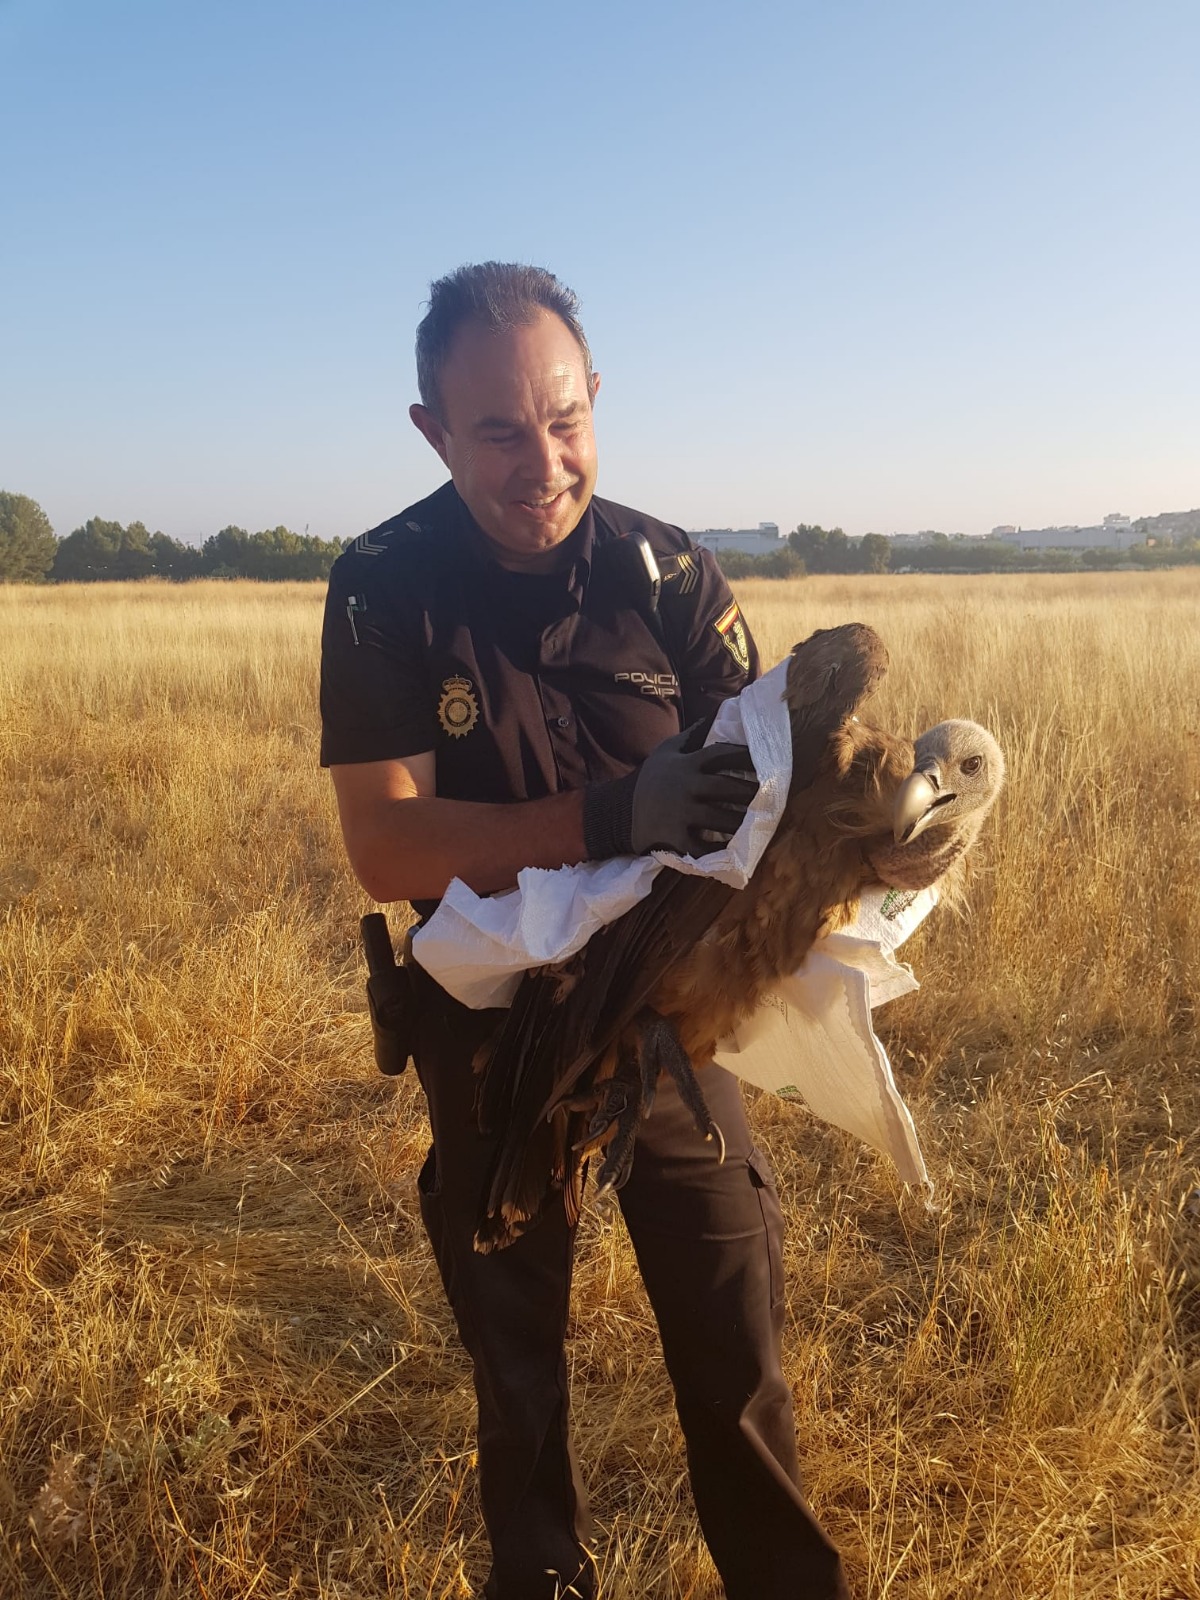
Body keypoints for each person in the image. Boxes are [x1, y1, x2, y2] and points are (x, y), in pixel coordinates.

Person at [319, 262, 850, 1600]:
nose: (542, 464)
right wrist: (610, 813)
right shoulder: (383, 585)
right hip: (488, 1023)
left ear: (597, 398)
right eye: (498, 431)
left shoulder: (669, 572)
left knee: (734, 1326)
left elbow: (763, 796)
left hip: (667, 1006)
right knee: (517, 1364)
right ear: (433, 431)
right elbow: (386, 846)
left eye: (565, 420)